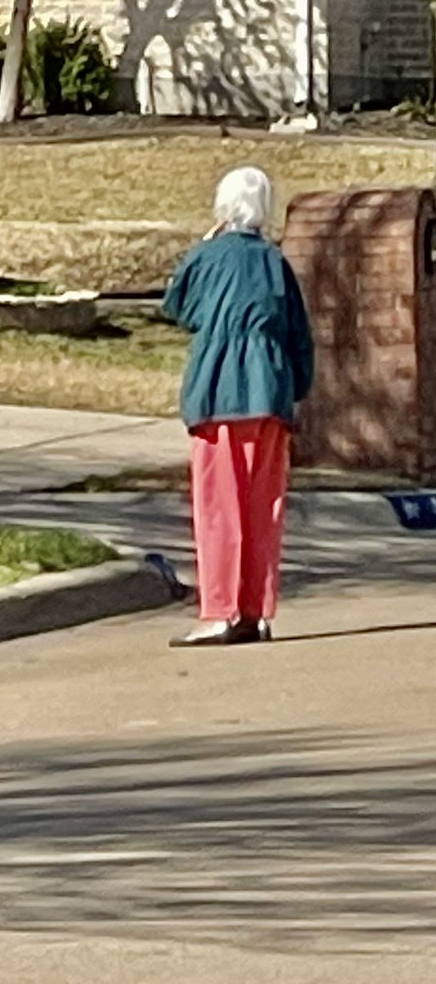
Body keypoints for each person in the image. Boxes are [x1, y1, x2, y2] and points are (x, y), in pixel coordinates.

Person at [161, 166, 314, 647]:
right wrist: (296, 390)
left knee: (219, 506)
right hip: (271, 391)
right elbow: (299, 337)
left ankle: (221, 609)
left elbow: (177, 306)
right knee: (263, 506)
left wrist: (207, 242)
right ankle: (257, 610)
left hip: (220, 391)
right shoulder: (275, 262)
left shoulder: (208, 257)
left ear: (224, 207)